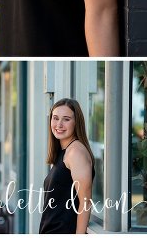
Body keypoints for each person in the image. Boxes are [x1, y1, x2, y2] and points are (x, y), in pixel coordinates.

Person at [40, 98, 95, 234]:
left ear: (76, 122)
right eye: (55, 118)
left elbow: (85, 202)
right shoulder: (64, 152)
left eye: (66, 119)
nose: (59, 124)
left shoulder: (75, 152)